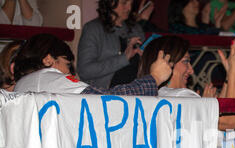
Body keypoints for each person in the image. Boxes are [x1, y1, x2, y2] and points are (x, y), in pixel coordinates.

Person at [13, 33, 172, 96]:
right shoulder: (48, 79)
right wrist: (154, 78)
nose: (70, 73)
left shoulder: (22, 85)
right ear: (48, 60)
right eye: (67, 64)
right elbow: (106, 100)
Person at [77, 0, 145, 89]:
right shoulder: (93, 29)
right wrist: (124, 58)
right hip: (105, 94)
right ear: (111, 3)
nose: (129, 8)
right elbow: (84, 71)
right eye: (124, 3)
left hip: (136, 91)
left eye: (131, 4)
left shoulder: (136, 29)